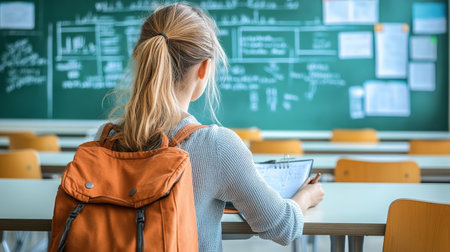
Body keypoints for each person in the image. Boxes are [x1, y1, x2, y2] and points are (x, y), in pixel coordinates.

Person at [96, 2, 324, 251]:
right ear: (204, 68)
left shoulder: (106, 137)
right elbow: (283, 226)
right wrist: (307, 197)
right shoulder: (217, 146)